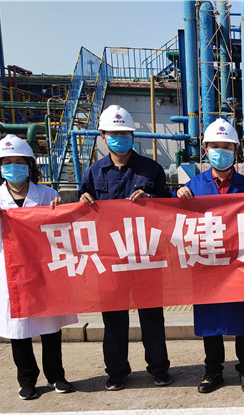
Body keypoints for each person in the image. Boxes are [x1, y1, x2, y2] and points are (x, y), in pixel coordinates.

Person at [0, 134, 76, 400]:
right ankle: (27, 380)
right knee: (18, 328)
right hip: (12, 269)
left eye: (19, 162)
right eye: (7, 162)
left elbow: (63, 231)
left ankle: (56, 376)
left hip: (43, 268)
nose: (13, 167)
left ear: (30, 164)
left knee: (50, 325)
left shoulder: (47, 194)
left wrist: (58, 211)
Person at [78, 105, 171, 390]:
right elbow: (82, 209)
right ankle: (117, 371)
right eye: (114, 134)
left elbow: (169, 208)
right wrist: (82, 202)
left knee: (152, 318)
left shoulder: (151, 169)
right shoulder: (94, 172)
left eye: (125, 133)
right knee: (114, 320)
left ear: (132, 136)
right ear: (103, 136)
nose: (120, 138)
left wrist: (152, 198)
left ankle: (159, 368)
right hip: (111, 259)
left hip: (146, 256)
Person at [177, 119, 244, 393]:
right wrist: (177, 195)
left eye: (226, 147)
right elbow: (175, 219)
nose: (220, 152)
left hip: (239, 265)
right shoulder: (193, 187)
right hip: (207, 266)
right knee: (210, 320)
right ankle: (213, 371)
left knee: (243, 321)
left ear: (235, 150)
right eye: (215, 146)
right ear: (205, 149)